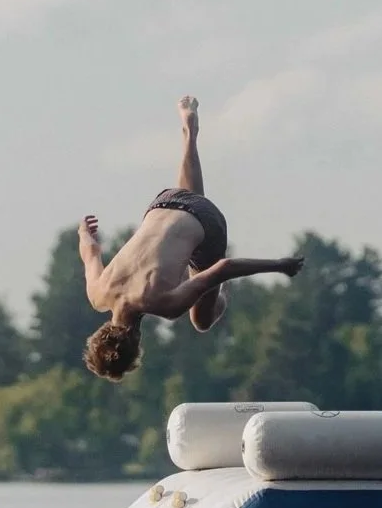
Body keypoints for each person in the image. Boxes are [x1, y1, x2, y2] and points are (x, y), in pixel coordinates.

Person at [79, 95, 305, 381]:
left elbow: (222, 268)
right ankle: (189, 135)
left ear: (136, 343)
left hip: (208, 222)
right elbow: (90, 253)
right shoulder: (98, 293)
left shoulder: (164, 304)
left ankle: (218, 297)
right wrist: (83, 231)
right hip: (163, 202)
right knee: (189, 208)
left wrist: (279, 265)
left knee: (201, 319)